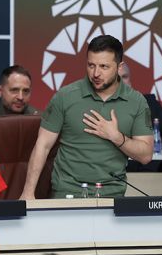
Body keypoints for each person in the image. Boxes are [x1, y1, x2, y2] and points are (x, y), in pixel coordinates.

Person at [20, 35, 153, 199]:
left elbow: (146, 155)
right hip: (67, 193)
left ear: (119, 67)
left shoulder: (137, 101)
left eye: (104, 66)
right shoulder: (65, 96)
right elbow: (43, 145)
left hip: (112, 195)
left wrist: (116, 137)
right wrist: (28, 192)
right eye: (91, 65)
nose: (96, 73)